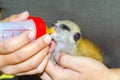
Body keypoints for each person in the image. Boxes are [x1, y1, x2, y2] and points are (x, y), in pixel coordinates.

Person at [1, 11, 120, 80]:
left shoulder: (81, 52)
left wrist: (108, 77)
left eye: (63, 28)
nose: (54, 27)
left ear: (75, 38)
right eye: (54, 24)